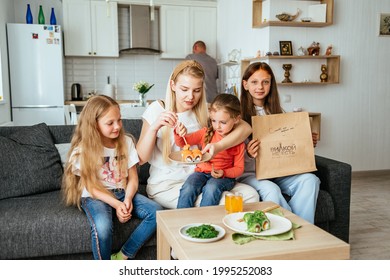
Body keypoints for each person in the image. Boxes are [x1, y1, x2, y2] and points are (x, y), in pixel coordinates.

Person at [136, 60, 259, 209]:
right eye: (184, 89)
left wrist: (218, 146)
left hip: (202, 178)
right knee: (217, 201)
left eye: (196, 90)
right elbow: (141, 159)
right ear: (173, 86)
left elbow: (245, 128)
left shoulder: (204, 112)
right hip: (168, 185)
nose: (190, 97)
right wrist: (154, 127)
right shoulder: (156, 109)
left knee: (251, 195)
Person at [62, 95, 163, 260]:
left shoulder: (127, 142)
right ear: (94, 125)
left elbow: (133, 178)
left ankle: (122, 256)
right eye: (110, 123)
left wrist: (128, 199)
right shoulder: (83, 150)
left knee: (157, 212)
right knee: (103, 227)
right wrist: (117, 204)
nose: (117, 126)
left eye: (119, 120)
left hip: (122, 192)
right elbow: (91, 187)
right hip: (96, 196)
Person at [238, 62, 320, 223]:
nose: (260, 87)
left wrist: (307, 142)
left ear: (271, 84)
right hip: (250, 174)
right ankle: (293, 226)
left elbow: (289, 146)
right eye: (254, 82)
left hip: (278, 171)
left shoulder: (278, 113)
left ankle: (302, 227)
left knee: (311, 180)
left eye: (265, 82)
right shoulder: (237, 114)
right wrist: (247, 152)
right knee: (272, 190)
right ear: (245, 84)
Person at [174, 94, 245, 208]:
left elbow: (239, 169)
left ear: (236, 119)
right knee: (188, 187)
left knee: (211, 188)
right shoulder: (206, 133)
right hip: (201, 173)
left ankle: (204, 223)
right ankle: (181, 221)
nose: (217, 126)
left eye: (223, 122)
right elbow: (183, 142)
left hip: (223, 177)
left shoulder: (237, 142)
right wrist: (179, 133)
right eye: (214, 121)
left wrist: (224, 173)